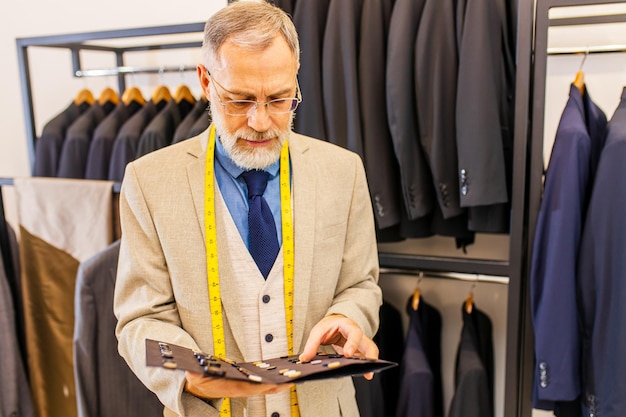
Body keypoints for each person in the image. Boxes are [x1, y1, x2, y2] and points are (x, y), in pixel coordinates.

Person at [113, 1, 383, 416]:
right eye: (239, 101)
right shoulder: (149, 183)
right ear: (206, 81)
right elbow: (138, 322)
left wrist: (351, 317)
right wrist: (187, 369)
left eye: (279, 99)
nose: (260, 121)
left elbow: (361, 284)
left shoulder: (343, 171)